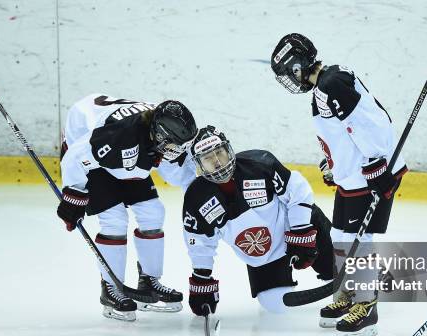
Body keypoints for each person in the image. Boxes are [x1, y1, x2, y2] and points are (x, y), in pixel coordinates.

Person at [270, 33, 407, 336]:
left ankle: (366, 305)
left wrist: (376, 164)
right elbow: (342, 133)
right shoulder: (326, 84)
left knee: (361, 240)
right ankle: (349, 293)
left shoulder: (331, 83)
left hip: (369, 173)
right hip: (354, 176)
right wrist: (334, 166)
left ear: (297, 66)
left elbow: (368, 122)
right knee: (340, 236)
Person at [58, 94, 198, 321]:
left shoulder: (164, 132)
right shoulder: (118, 135)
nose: (177, 150)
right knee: (114, 219)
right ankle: (111, 289)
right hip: (87, 142)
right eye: (173, 146)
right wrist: (73, 196)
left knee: (153, 212)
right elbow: (75, 158)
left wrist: (195, 193)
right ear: (159, 135)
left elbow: (176, 171)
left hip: (130, 149)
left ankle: (149, 282)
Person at [181, 126, 334, 317]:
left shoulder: (260, 164)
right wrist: (201, 279)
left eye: (219, 153)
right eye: (208, 158)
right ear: (199, 164)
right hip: (265, 257)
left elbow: (298, 189)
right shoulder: (196, 198)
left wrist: (301, 232)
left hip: (295, 231)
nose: (217, 162)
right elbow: (199, 242)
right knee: (276, 305)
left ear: (228, 150)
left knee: (351, 272)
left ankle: (368, 273)